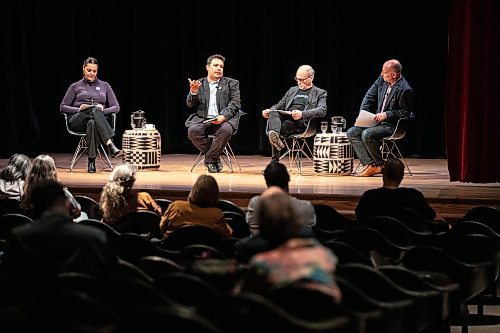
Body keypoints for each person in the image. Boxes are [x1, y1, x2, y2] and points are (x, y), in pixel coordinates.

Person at [0, 179, 118, 290]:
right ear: (68, 203)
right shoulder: (95, 238)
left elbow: (9, 285)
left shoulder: (19, 237)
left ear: (32, 207)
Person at [234, 192, 342, 302]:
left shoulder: (261, 263)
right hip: (328, 316)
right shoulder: (325, 255)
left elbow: (242, 297)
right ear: (297, 220)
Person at [347, 59, 414, 177]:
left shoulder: (405, 89)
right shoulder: (381, 79)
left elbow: (406, 112)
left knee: (367, 134)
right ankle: (371, 165)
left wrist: (387, 114)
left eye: (385, 73)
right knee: (352, 132)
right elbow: (369, 96)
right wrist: (362, 114)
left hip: (392, 125)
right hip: (377, 121)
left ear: (393, 75)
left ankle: (378, 164)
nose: (382, 74)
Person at [60, 56, 123, 173]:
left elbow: (116, 107)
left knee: (92, 122)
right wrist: (79, 109)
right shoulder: (75, 86)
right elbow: (62, 107)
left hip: (96, 121)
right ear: (83, 69)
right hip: (77, 120)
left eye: (94, 71)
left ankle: (91, 162)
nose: (92, 73)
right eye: (89, 70)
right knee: (94, 111)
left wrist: (102, 111)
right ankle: (110, 144)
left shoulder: (105, 85)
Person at [185, 54, 242, 173]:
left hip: (225, 119)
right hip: (203, 119)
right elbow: (190, 104)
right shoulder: (199, 83)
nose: (219, 68)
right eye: (216, 65)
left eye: (221, 66)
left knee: (225, 130)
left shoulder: (232, 83)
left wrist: (223, 116)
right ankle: (214, 157)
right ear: (207, 67)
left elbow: (235, 103)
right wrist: (193, 92)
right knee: (193, 131)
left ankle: (210, 160)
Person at [262, 65, 327, 162]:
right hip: (286, 117)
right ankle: (275, 136)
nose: (299, 82)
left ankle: (274, 161)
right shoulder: (292, 90)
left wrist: (302, 113)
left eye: (302, 80)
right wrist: (269, 110)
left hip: (299, 123)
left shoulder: (320, 92)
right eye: (297, 79)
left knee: (275, 129)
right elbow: (279, 106)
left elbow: (322, 110)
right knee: (273, 112)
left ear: (311, 78)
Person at [355, 158, 445, 222]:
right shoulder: (413, 196)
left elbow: (359, 219)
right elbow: (432, 217)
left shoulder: (369, 197)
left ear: (383, 174)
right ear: (402, 176)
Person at [246, 161, 316, 234]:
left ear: (266, 181)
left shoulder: (255, 204)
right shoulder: (306, 207)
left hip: (259, 245)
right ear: (288, 178)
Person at [159, 174, 232, 239]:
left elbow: (162, 227)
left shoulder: (176, 206)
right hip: (204, 251)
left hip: (171, 251)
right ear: (215, 194)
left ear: (194, 190)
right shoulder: (216, 214)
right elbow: (228, 235)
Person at [20, 154, 82, 220]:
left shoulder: (26, 188)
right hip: (56, 226)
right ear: (52, 170)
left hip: (35, 225)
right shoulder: (61, 192)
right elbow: (77, 210)